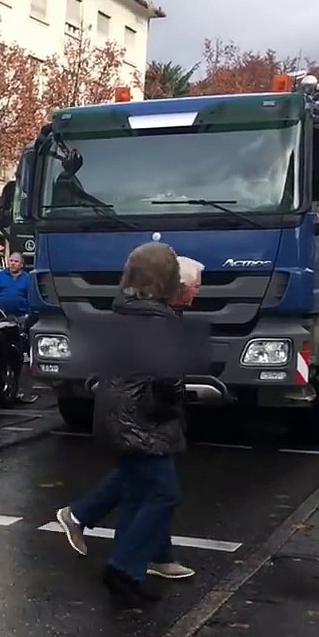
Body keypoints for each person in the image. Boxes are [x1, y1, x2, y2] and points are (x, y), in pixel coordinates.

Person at [53, 243, 194, 608]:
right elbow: (168, 379)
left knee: (137, 491)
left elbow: (98, 368)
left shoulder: (120, 313)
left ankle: (131, 572)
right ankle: (123, 568)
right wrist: (172, 404)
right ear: (168, 280)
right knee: (164, 494)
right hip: (145, 425)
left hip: (114, 420)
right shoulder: (162, 321)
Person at [0, 252, 31, 317]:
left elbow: (31, 298)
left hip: (21, 316)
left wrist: (27, 315)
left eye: (16, 261)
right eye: (11, 261)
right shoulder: (0, 276)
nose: (13, 263)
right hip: (1, 316)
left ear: (21, 264)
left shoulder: (27, 278)